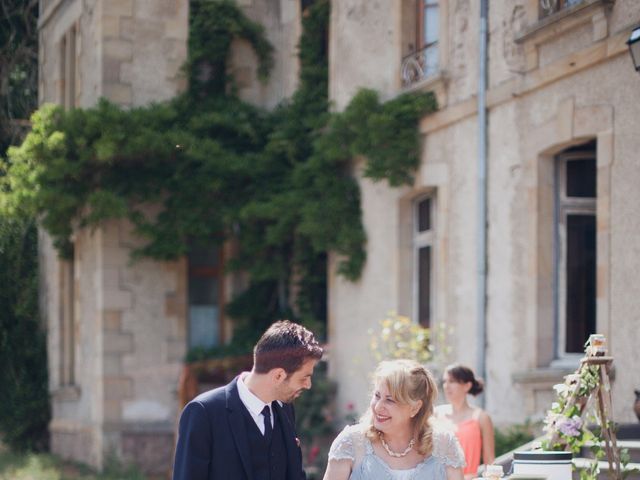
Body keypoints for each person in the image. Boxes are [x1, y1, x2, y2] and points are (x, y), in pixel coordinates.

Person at [172, 320, 323, 480]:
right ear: (278, 375)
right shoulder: (203, 413)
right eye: (304, 378)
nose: (308, 385)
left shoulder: (286, 409)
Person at [323, 359, 465, 480]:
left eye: (390, 400)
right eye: (377, 396)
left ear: (415, 408)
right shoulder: (350, 443)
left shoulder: (444, 445)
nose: (378, 407)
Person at [435, 364, 495, 480]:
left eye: (452, 381)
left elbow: (490, 462)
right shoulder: (435, 414)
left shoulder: (481, 417)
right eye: (445, 381)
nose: (446, 386)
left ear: (467, 386)